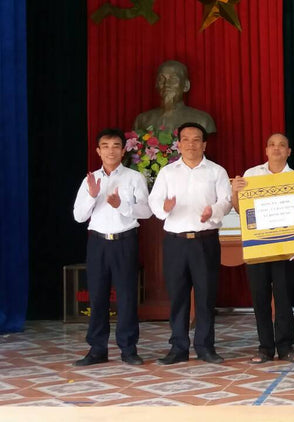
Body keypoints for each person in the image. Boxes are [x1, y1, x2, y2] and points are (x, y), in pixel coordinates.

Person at [148, 122, 232, 365]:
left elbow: (226, 201)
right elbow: (155, 201)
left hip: (205, 241)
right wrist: (163, 208)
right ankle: (178, 348)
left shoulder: (216, 171)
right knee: (178, 296)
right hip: (175, 242)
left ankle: (205, 347)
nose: (191, 144)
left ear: (204, 144)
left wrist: (213, 212)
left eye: (197, 140)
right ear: (179, 144)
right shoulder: (167, 172)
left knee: (206, 297)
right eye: (186, 139)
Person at [73, 128, 152, 366]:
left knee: (127, 297)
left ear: (123, 149)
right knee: (97, 297)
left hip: (125, 241)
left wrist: (122, 205)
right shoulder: (90, 180)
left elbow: (147, 212)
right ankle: (97, 349)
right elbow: (78, 216)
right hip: (97, 243)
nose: (110, 150)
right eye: (105, 146)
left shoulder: (134, 177)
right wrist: (92, 195)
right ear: (98, 151)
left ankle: (128, 349)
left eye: (116, 145)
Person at [231, 133, 294, 364]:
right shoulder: (251, 175)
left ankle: (285, 347)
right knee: (260, 298)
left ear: (289, 151)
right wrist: (235, 191)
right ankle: (264, 347)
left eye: (282, 145)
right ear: (265, 150)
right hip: (258, 246)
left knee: (283, 298)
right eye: (272, 145)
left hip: (285, 248)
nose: (276, 149)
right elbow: (238, 208)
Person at [133, 60, 216, 134]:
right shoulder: (142, 120)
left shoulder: (202, 120)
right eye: (162, 79)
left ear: (186, 86)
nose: (166, 84)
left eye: (173, 80)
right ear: (156, 85)